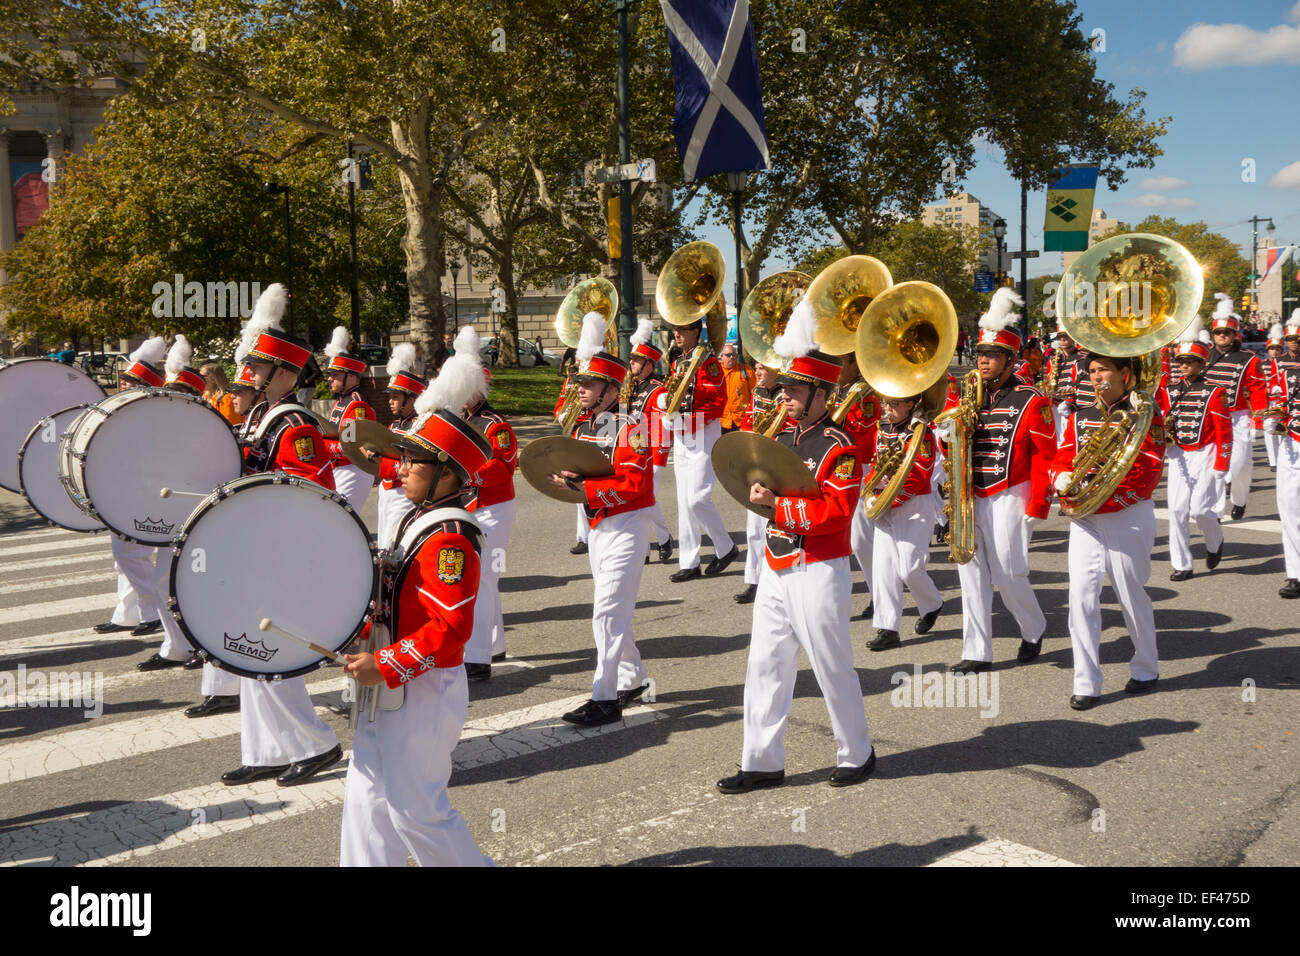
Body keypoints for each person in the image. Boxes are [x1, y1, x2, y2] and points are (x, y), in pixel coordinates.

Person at [717, 305, 873, 794]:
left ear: (821, 394)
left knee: (831, 664)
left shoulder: (839, 446)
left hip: (819, 568)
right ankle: (761, 761)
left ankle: (858, 751)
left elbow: (836, 513)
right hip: (776, 565)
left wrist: (778, 505)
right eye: (783, 388)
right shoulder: (778, 437)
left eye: (794, 390)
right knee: (764, 663)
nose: (783, 395)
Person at [339, 387, 495, 867]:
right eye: (402, 457)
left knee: (416, 812)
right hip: (390, 678)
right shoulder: (418, 517)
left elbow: (451, 629)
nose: (400, 467)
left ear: (447, 473)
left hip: (422, 686)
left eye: (413, 461)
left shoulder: (451, 539)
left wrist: (386, 664)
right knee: (366, 797)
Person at [220, 284, 342, 787]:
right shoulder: (259, 417)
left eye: (259, 368)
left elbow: (307, 492)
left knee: (265, 647)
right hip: (253, 544)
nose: (249, 375)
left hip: (280, 549)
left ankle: (316, 743)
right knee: (247, 649)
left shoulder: (295, 424)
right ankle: (267, 748)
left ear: (286, 374)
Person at [936, 288, 1054, 673]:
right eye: (981, 355)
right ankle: (976, 650)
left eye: (991, 356)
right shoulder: (966, 394)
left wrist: (1038, 504)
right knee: (969, 570)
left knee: (1008, 572)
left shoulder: (1031, 399)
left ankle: (1033, 627)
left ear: (1009, 360)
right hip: (970, 494)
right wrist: (947, 436)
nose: (983, 361)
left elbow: (1045, 457)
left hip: (1010, 494)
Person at [549, 312, 656, 726]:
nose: (582, 390)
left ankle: (605, 698)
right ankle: (633, 678)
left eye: (590, 384)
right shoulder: (583, 426)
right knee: (614, 614)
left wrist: (584, 490)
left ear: (612, 388)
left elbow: (634, 485)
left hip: (626, 527)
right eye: (580, 383)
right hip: (598, 526)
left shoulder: (633, 427)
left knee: (606, 614)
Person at [1051, 353, 1166, 710]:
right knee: (1080, 598)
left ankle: (1146, 666)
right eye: (1092, 371)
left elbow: (1149, 467)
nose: (1096, 376)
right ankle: (1086, 681)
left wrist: (1103, 495)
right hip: (1086, 517)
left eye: (1103, 370)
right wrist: (1060, 477)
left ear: (1124, 374)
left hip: (1126, 513)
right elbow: (1063, 455)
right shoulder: (1081, 416)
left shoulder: (1144, 413)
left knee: (1130, 594)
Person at [95, 337, 171, 653]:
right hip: (124, 490)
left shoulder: (151, 414)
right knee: (123, 558)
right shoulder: (126, 411)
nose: (123, 384)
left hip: (144, 492)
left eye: (130, 381)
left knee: (129, 555)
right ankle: (128, 614)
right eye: (124, 379)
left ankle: (151, 610)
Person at [455, 326, 517, 682]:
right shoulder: (460, 420)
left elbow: (503, 466)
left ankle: (478, 659)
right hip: (471, 505)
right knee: (488, 579)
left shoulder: (496, 425)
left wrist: (465, 473)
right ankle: (494, 644)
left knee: (482, 578)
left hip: (493, 507)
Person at [863, 392, 943, 650]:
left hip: (914, 505)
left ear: (911, 404)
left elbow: (919, 473)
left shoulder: (922, 432)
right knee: (884, 569)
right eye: (885, 403)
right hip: (886, 502)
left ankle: (932, 604)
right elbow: (878, 462)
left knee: (910, 568)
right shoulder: (883, 426)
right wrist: (872, 490)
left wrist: (888, 499)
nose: (887, 408)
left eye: (894, 403)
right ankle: (887, 628)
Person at [662, 316, 739, 582]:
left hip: (703, 433)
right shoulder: (677, 362)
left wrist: (685, 420)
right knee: (684, 502)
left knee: (697, 498)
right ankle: (689, 561)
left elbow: (716, 403)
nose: (677, 333)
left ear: (696, 330)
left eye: (682, 328)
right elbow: (674, 395)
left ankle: (726, 546)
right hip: (683, 435)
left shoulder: (709, 364)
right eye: (675, 328)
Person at [1156, 317, 1231, 582]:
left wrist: (1222, 464)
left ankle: (1215, 540)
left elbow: (1224, 431)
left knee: (1200, 510)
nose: (1184, 366)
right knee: (1176, 510)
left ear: (1201, 364)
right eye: (1181, 362)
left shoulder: (1215, 392)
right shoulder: (1168, 391)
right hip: (1178, 455)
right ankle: (1183, 564)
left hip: (1206, 454)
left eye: (1190, 362)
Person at [1203, 293, 1267, 520]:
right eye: (1218, 332)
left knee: (1239, 465)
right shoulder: (1204, 356)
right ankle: (1217, 510)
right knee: (1215, 464)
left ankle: (1239, 500)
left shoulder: (1248, 358)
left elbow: (1258, 389)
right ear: (1213, 334)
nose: (1222, 336)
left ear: (1234, 334)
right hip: (1210, 417)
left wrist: (1259, 419)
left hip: (1237, 416)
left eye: (1226, 332)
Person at [830, 350, 882, 618]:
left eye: (840, 362)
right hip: (836, 468)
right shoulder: (834, 390)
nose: (835, 368)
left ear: (853, 364)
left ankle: (879, 596)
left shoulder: (866, 395)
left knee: (861, 540)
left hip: (860, 467)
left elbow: (863, 435)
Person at [735, 363, 785, 605]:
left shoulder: (786, 393)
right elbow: (747, 423)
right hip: (757, 462)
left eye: (763, 367)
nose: (758, 370)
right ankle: (754, 580)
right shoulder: (757, 392)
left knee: (777, 526)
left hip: (778, 463)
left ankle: (775, 577)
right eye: (756, 366)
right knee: (753, 528)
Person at [628, 318, 674, 564]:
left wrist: (658, 457)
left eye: (636, 360)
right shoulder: (633, 386)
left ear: (648, 364)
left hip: (653, 453)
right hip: (634, 452)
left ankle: (663, 539)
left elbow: (665, 424)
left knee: (644, 500)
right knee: (641, 501)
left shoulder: (658, 391)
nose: (631, 363)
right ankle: (650, 546)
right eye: (632, 359)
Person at [371, 343, 426, 551]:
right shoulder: (394, 425)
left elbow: (413, 466)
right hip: (386, 491)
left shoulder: (418, 427)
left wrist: (381, 463)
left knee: (395, 546)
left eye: (395, 397)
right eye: (390, 397)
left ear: (411, 400)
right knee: (384, 543)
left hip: (404, 494)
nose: (390, 402)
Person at [322, 326, 378, 515]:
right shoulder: (343, 401)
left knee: (339, 519)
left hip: (353, 470)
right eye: (330, 375)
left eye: (335, 375)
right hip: (340, 468)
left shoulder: (356, 405)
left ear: (352, 376)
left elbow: (350, 445)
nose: (329, 379)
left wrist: (321, 444)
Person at [1265, 314, 1300, 599]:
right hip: (1292, 443)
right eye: (1292, 340)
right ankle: (1295, 574)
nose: (1294, 346)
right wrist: (1275, 418)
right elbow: (1279, 402)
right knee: (1289, 509)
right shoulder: (1285, 373)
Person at [1262, 323, 1286, 472]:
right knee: (1268, 430)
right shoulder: (1262, 365)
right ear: (1267, 350)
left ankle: (1282, 457)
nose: (1275, 352)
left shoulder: (1286, 364)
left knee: (1282, 428)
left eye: (1278, 349)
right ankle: (1273, 461)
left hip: (1282, 400)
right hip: (1268, 400)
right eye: (1272, 349)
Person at [719, 342, 755, 433]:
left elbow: (756, 393)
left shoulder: (747, 370)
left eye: (734, 354)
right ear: (721, 356)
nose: (732, 357)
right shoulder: (716, 372)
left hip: (741, 420)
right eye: (728, 355)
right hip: (721, 421)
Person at [200, 361, 242, 426]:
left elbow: (229, 427)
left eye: (201, 376)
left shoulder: (227, 399)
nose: (199, 378)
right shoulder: (204, 396)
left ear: (213, 379)